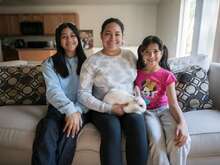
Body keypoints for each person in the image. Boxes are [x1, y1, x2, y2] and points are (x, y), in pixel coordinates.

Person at [78, 18, 148, 165]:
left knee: (138, 125)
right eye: (108, 34)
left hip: (129, 105)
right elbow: (82, 94)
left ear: (123, 37)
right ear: (101, 36)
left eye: (117, 34)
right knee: (112, 129)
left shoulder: (130, 56)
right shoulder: (92, 62)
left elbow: (140, 78)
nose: (113, 38)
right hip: (102, 108)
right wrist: (110, 108)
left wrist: (138, 93)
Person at [32, 22, 90, 165]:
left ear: (78, 38)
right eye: (64, 37)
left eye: (72, 35)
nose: (69, 40)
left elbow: (89, 92)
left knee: (68, 135)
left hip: (81, 108)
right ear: (59, 40)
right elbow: (53, 91)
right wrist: (69, 110)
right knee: (46, 130)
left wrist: (76, 112)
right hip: (57, 108)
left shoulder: (89, 62)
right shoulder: (49, 63)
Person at [135, 35, 191, 165]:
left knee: (177, 138)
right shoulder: (136, 74)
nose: (151, 55)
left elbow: (173, 104)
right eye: (147, 52)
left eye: (155, 51)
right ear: (142, 52)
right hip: (146, 112)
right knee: (155, 138)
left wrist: (182, 123)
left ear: (162, 52)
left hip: (164, 110)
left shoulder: (167, 75)